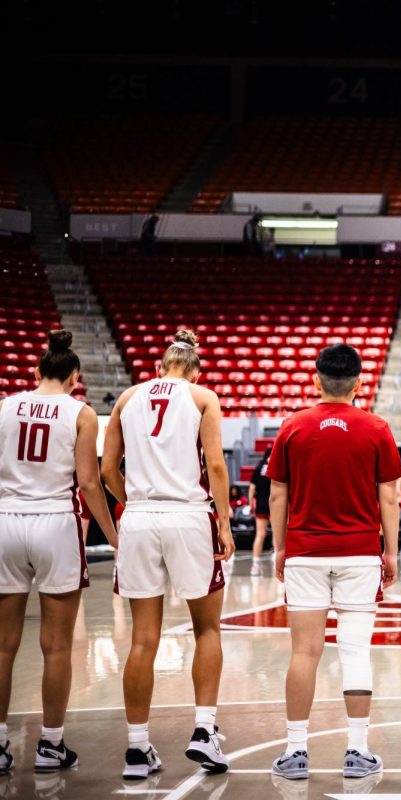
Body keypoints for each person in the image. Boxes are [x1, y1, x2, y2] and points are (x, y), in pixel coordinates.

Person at [101, 329, 234, 780]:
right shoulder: (202, 396)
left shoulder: (127, 397)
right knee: (207, 627)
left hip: (138, 516)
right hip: (188, 516)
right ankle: (202, 731)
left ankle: (137, 749)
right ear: (195, 371)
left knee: (142, 640)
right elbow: (215, 464)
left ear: (158, 368)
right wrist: (224, 520)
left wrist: (131, 501)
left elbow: (105, 469)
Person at [267, 344, 401, 781]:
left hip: (305, 552)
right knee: (355, 651)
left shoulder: (292, 427)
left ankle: (295, 751)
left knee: (304, 653)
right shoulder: (377, 428)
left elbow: (277, 495)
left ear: (316, 381)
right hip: (360, 553)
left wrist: (281, 548)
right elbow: (388, 497)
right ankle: (357, 750)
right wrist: (392, 551)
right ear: (359, 384)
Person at [0, 330, 118, 773]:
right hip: (55, 523)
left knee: (3, 646)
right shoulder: (81, 412)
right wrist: (112, 533)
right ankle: (50, 745)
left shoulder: (5, 406)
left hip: (6, 520)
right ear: (75, 377)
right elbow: (89, 482)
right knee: (57, 647)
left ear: (35, 371)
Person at [248, 445, 273, 577]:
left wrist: (251, 505)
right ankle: (276, 562)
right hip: (275, 504)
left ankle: (255, 566)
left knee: (260, 535)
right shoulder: (276, 464)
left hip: (261, 504)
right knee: (278, 534)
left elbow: (251, 488)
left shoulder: (258, 468)